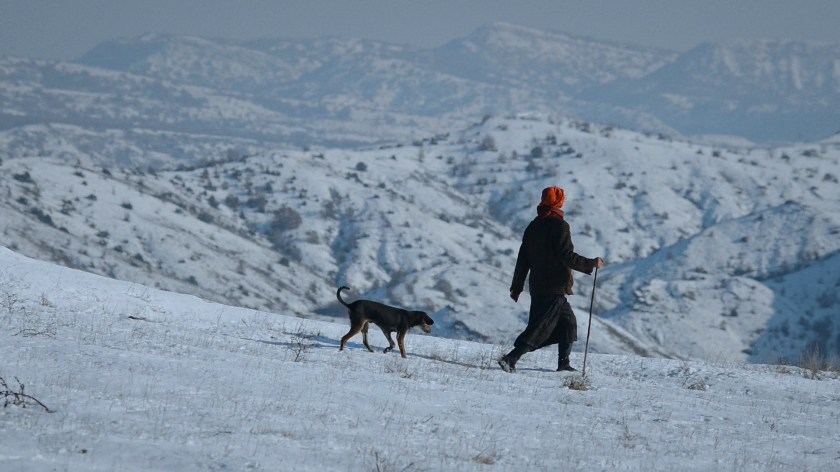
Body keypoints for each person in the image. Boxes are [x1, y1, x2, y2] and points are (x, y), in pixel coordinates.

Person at [498, 186, 605, 373]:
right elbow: (567, 256)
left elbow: (523, 259)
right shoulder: (559, 225)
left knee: (568, 323)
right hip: (554, 286)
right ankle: (511, 358)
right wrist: (591, 263)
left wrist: (516, 287)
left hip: (539, 286)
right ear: (558, 202)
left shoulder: (533, 226)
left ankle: (563, 364)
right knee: (541, 327)